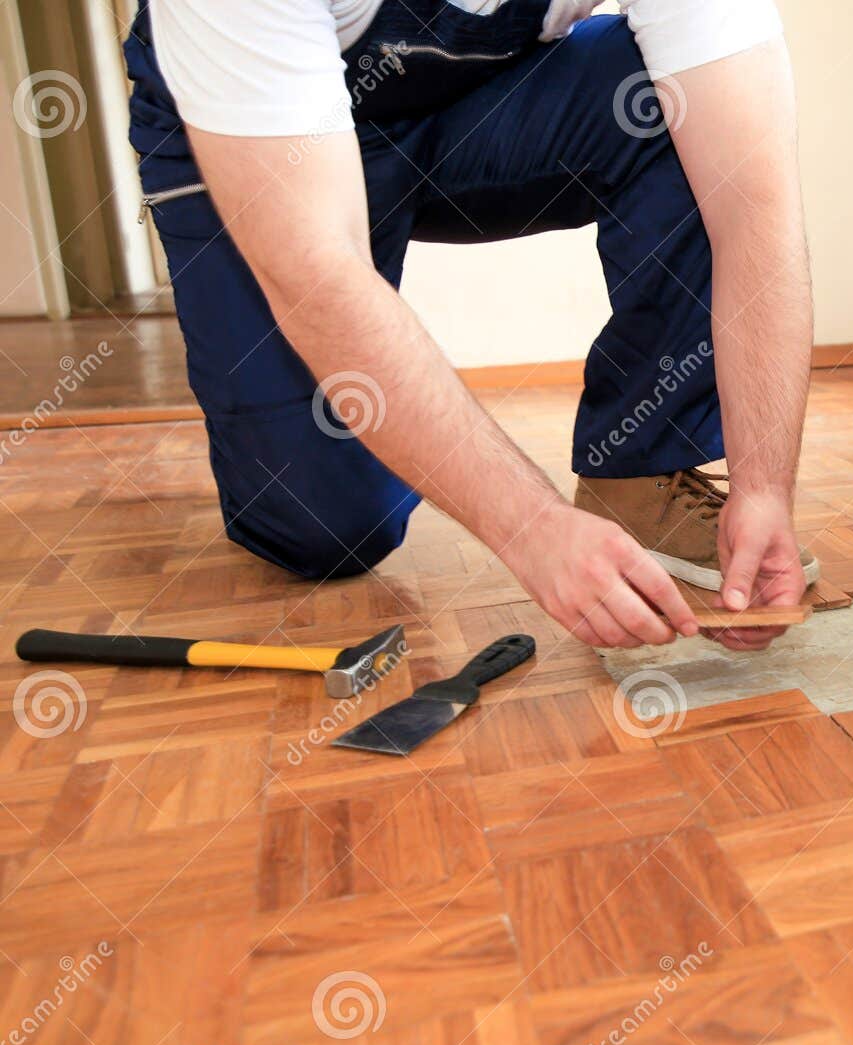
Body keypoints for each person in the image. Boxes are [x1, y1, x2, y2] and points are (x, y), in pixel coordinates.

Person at [123, 0, 817, 652]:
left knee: (677, 106)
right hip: (252, 140)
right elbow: (315, 271)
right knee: (327, 531)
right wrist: (532, 527)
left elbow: (753, 198)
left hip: (462, 110)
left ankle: (641, 480)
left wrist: (763, 486)